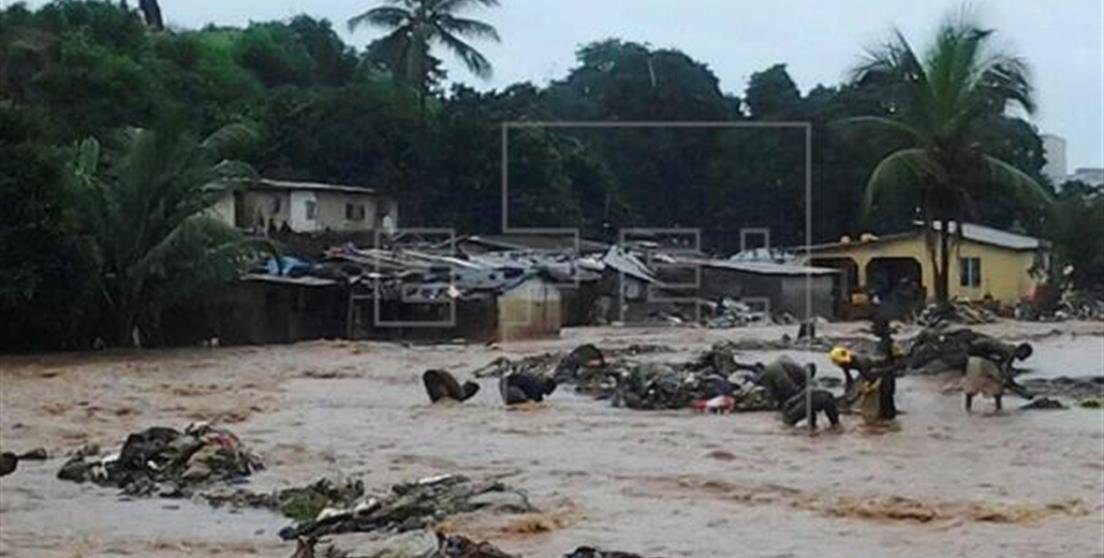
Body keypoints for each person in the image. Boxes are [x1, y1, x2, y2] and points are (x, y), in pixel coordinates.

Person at [752, 357, 838, 430]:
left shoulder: (799, 371)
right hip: (819, 398)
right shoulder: (806, 377)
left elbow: (807, 404)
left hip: (774, 371)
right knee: (789, 420)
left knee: (788, 421)